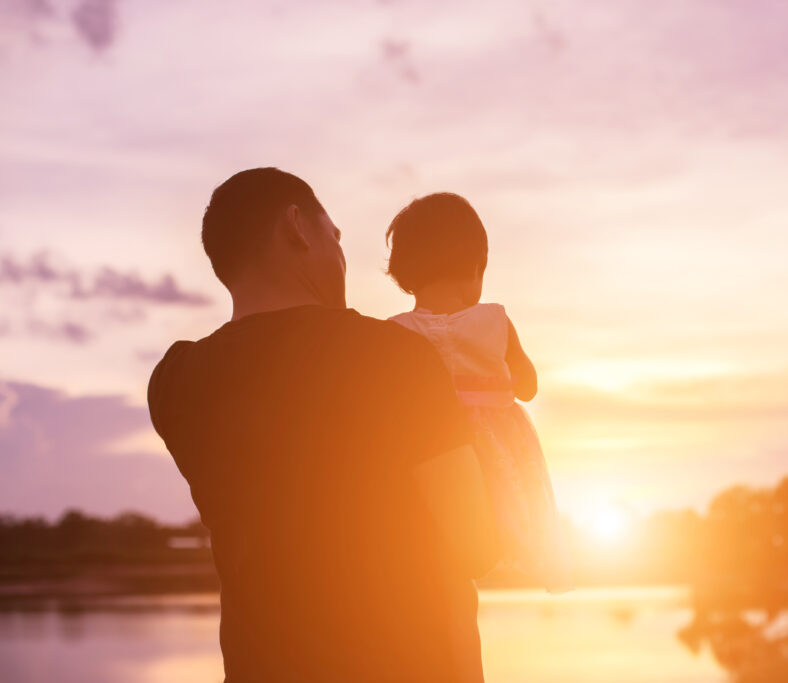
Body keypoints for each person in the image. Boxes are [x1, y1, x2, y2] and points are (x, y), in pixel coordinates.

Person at [147, 168, 498, 682]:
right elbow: (476, 545)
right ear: (296, 227)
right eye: (335, 237)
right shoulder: (395, 357)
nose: (341, 257)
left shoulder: (176, 382)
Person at [385, 193, 573, 594]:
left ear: (404, 272)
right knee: (512, 512)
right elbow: (528, 386)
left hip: (431, 453)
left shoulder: (394, 332)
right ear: (475, 267)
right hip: (495, 449)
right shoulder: (495, 320)